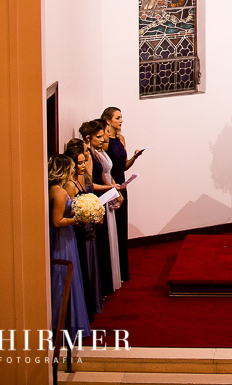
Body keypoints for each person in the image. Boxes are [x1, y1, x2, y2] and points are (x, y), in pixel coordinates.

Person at [48, 154, 91, 341]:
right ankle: (62, 327)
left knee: (68, 278)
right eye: (72, 167)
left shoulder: (57, 189)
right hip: (61, 239)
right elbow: (57, 221)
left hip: (67, 236)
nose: (74, 170)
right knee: (61, 279)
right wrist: (77, 219)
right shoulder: (58, 191)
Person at [101, 107, 145, 283]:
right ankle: (112, 273)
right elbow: (106, 168)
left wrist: (134, 157)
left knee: (121, 227)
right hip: (112, 187)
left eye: (121, 117)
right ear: (108, 121)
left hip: (122, 185)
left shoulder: (121, 138)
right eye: (118, 118)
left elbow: (123, 166)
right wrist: (113, 187)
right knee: (113, 228)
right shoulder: (105, 141)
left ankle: (122, 271)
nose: (121, 120)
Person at [81, 119, 123, 294]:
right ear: (88, 137)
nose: (102, 139)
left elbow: (104, 177)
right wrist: (111, 188)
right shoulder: (89, 155)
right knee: (103, 241)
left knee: (110, 238)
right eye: (99, 136)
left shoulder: (97, 152)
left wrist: (113, 188)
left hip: (106, 194)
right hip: (98, 199)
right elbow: (91, 183)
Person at [64, 139, 102, 319]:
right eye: (79, 163)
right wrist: (81, 218)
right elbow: (70, 210)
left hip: (83, 229)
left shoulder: (78, 180)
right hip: (76, 231)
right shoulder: (69, 185)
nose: (82, 165)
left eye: (82, 162)